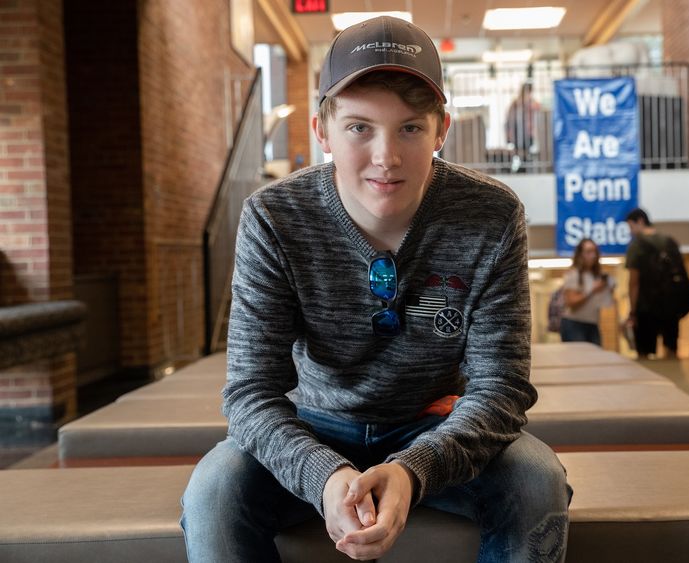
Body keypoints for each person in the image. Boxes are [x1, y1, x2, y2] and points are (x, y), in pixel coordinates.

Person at [181, 15, 570, 563]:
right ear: (323, 132)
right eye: (360, 127)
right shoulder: (274, 217)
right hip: (314, 425)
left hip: (436, 422)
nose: (386, 157)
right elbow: (250, 395)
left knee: (536, 479)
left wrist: (415, 469)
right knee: (213, 490)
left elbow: (501, 389)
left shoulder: (492, 215)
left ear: (441, 131)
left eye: (410, 128)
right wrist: (324, 475)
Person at [625, 207, 683, 359]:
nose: (631, 231)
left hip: (646, 306)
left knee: (644, 353)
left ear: (640, 221)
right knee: (671, 350)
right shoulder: (669, 241)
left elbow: (634, 282)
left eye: (631, 226)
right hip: (671, 304)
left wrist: (633, 310)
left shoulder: (637, 246)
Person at [558, 238, 614, 345]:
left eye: (595, 251)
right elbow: (571, 302)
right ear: (580, 254)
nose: (593, 255)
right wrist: (592, 290)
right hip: (574, 324)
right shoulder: (573, 274)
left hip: (592, 323)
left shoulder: (596, 276)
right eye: (588, 252)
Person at [505, 82, 542, 165]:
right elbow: (509, 117)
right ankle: (522, 165)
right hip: (517, 129)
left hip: (527, 130)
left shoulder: (531, 101)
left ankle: (524, 165)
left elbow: (538, 107)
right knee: (519, 149)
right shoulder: (516, 102)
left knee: (526, 148)